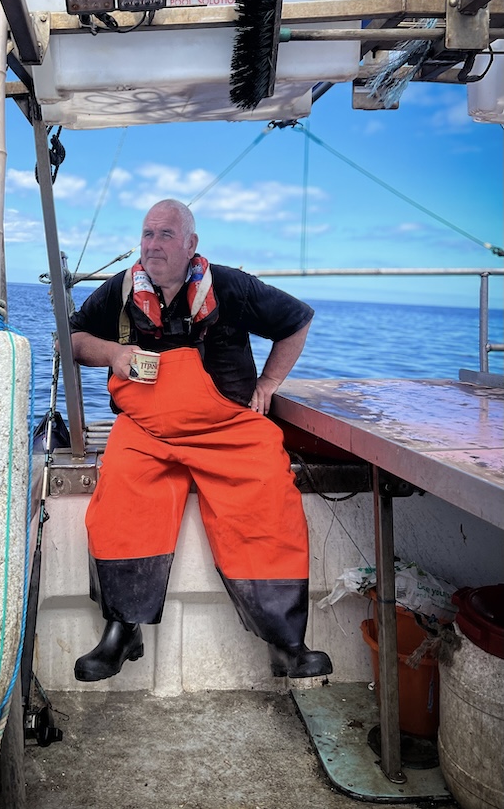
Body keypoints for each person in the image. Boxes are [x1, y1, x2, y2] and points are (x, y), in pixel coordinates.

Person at [69, 198, 332, 683]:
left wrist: (269, 385)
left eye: (166, 235)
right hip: (145, 429)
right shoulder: (122, 291)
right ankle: (121, 630)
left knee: (269, 495)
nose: (153, 245)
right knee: (119, 496)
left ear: (191, 245)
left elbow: (297, 321)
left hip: (228, 428)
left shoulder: (231, 286)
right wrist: (115, 352)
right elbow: (72, 339)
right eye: (147, 234)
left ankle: (285, 641)